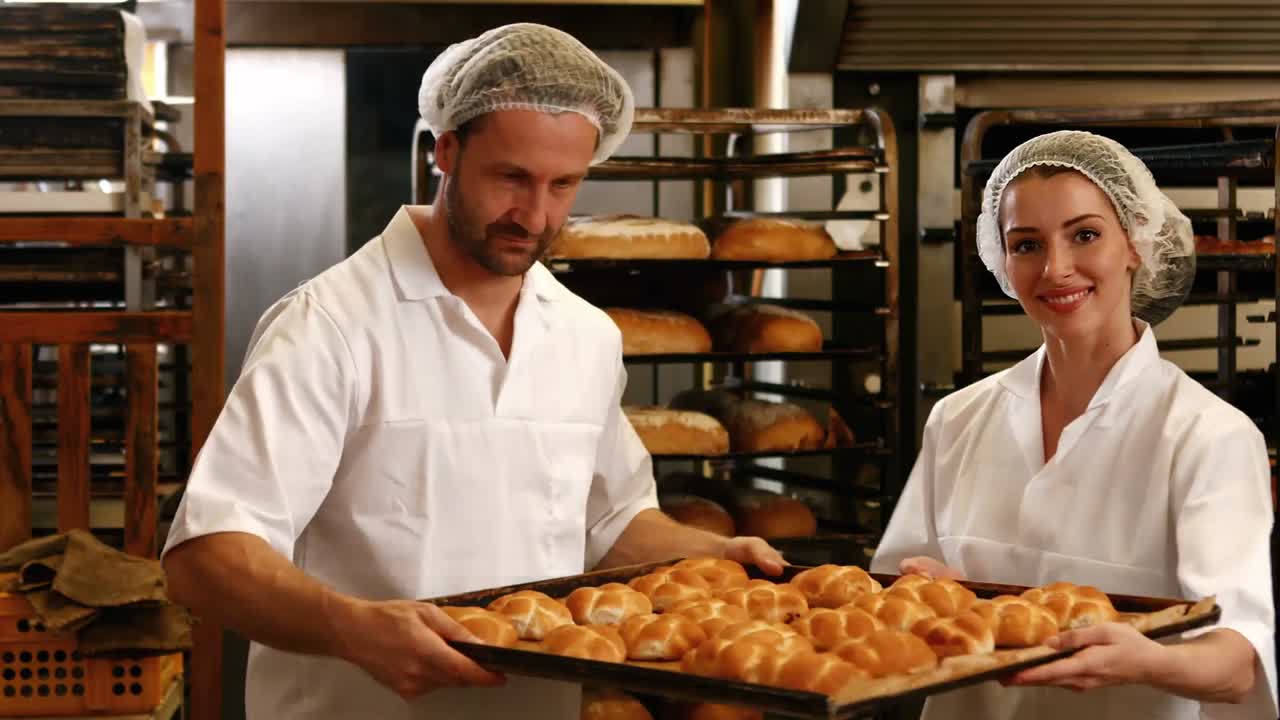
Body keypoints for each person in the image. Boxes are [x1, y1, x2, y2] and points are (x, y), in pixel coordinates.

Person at [160, 23, 784, 720]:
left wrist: (716, 552)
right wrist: (353, 628)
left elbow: (610, 522)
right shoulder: (331, 325)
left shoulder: (584, 336)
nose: (536, 215)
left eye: (564, 185)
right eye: (512, 178)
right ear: (445, 150)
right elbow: (205, 558)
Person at [873, 130, 1276, 720]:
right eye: (1027, 244)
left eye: (1084, 235)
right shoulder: (957, 420)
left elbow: (1237, 664)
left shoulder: (1208, 436)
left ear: (1135, 242)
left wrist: (1139, 659)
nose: (1056, 269)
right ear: (1002, 261)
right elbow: (892, 611)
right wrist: (928, 593)